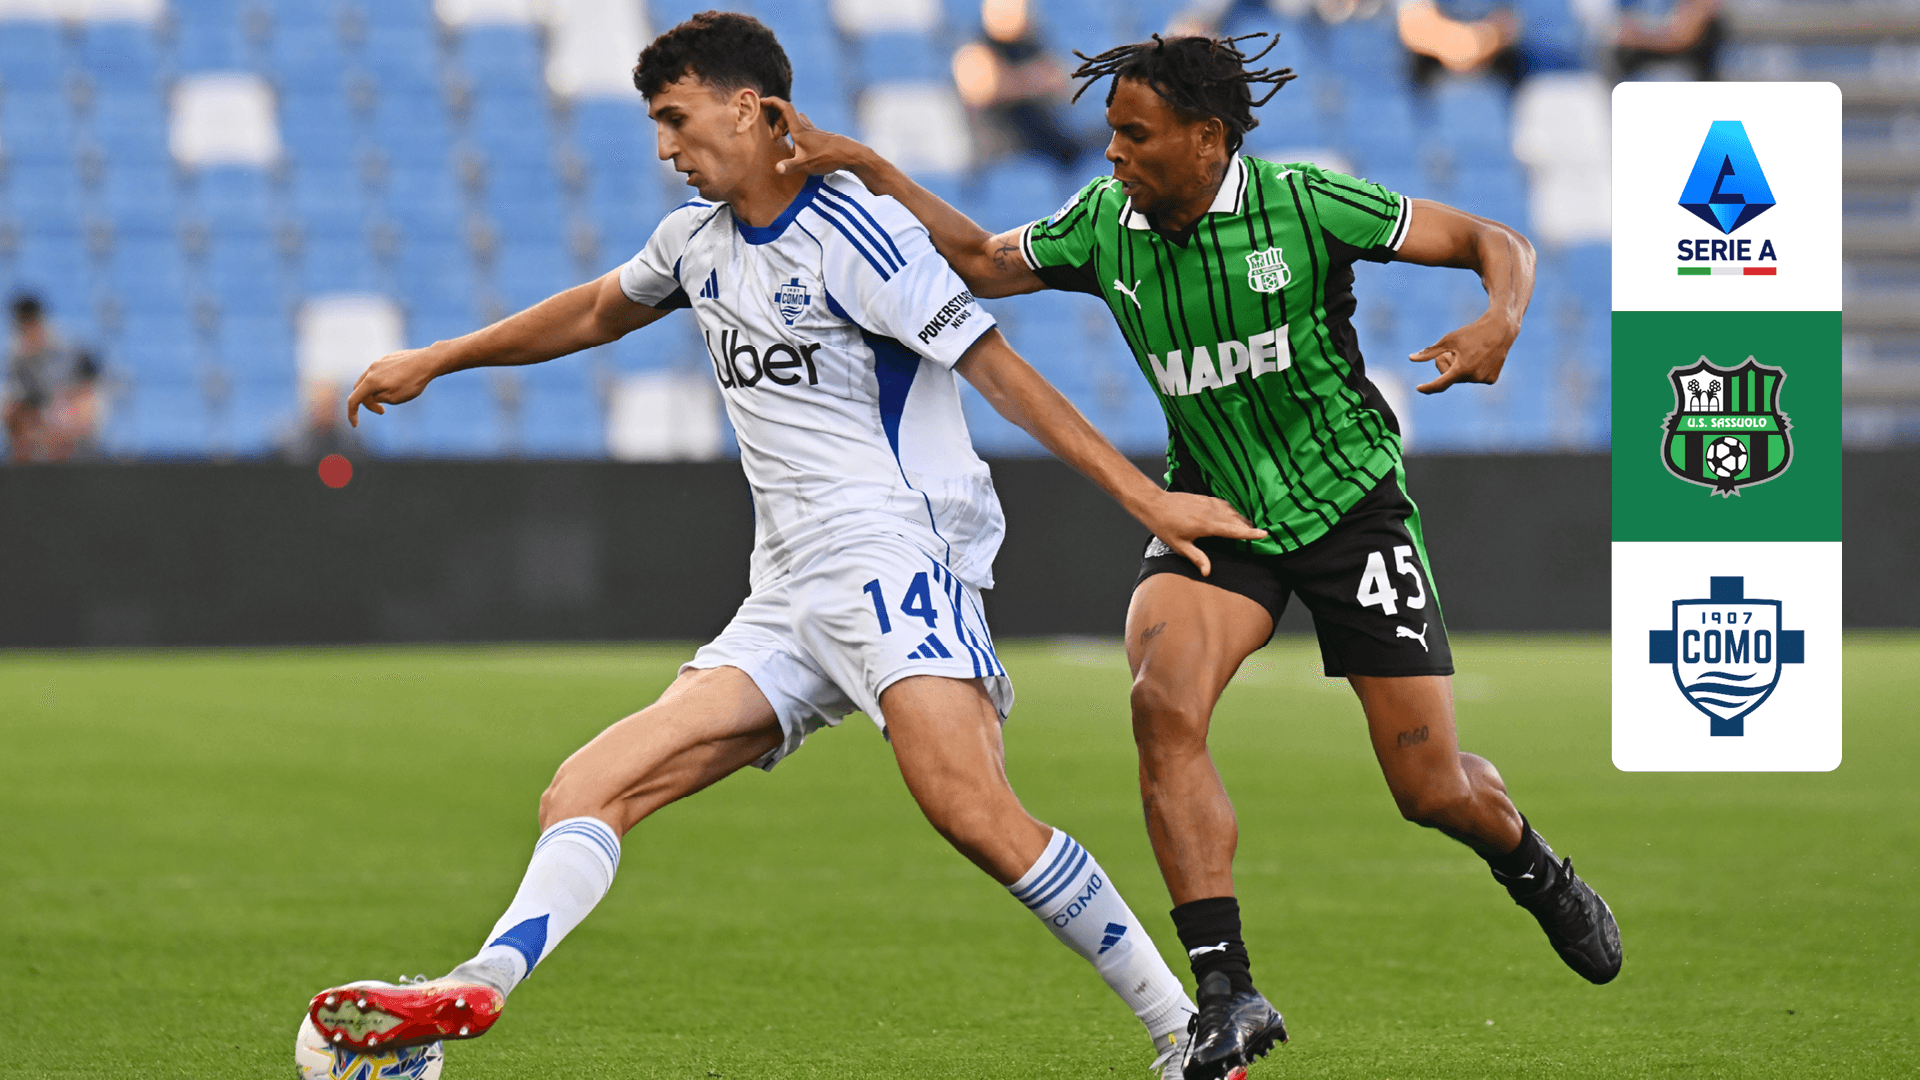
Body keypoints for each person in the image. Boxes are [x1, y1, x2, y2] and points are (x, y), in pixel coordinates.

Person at [305, 14, 1263, 1080]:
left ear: (752, 110)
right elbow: (594, 311)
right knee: (585, 787)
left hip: (894, 554)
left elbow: (997, 371)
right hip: (789, 586)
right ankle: (478, 985)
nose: (666, 147)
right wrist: (439, 359)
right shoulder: (693, 241)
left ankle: (1184, 1033)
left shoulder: (860, 233)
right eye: (657, 125)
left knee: (974, 811)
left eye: (678, 119)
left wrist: (1148, 499)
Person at [767, 30, 1621, 1080]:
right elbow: (983, 260)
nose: (1112, 151)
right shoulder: (1103, 224)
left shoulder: (1307, 204)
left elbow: (1497, 240)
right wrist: (869, 166)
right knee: (1162, 702)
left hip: (1348, 507)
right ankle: (1227, 990)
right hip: (1213, 515)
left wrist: (1501, 319)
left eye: (1135, 133)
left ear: (1207, 138)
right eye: (1111, 131)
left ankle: (1535, 869)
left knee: (1430, 786)